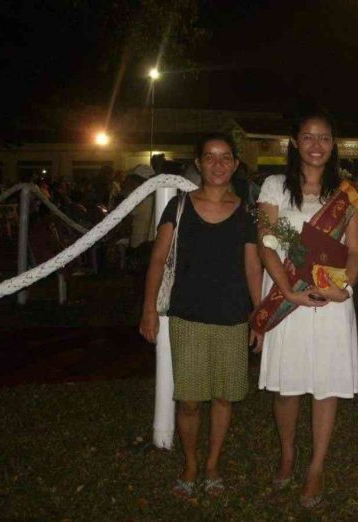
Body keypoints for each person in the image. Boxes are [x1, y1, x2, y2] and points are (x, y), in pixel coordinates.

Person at [139, 133, 263, 499]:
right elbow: (158, 260)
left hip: (232, 316)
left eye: (226, 157)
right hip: (187, 317)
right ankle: (191, 464)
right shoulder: (178, 207)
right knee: (190, 400)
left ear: (236, 164)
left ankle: (212, 466)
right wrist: (148, 309)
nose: (218, 163)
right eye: (210, 156)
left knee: (224, 397)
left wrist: (259, 314)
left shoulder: (247, 211)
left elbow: (252, 264)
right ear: (199, 162)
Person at [256, 111, 358, 508]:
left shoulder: (348, 192)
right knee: (287, 387)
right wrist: (287, 290)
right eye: (308, 137)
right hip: (287, 296)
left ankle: (316, 467)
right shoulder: (274, 186)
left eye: (324, 138)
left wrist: (345, 286)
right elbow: (266, 242)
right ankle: (287, 454)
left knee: (325, 384)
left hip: (332, 302)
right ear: (295, 142)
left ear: (333, 144)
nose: (316, 145)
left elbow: (356, 249)